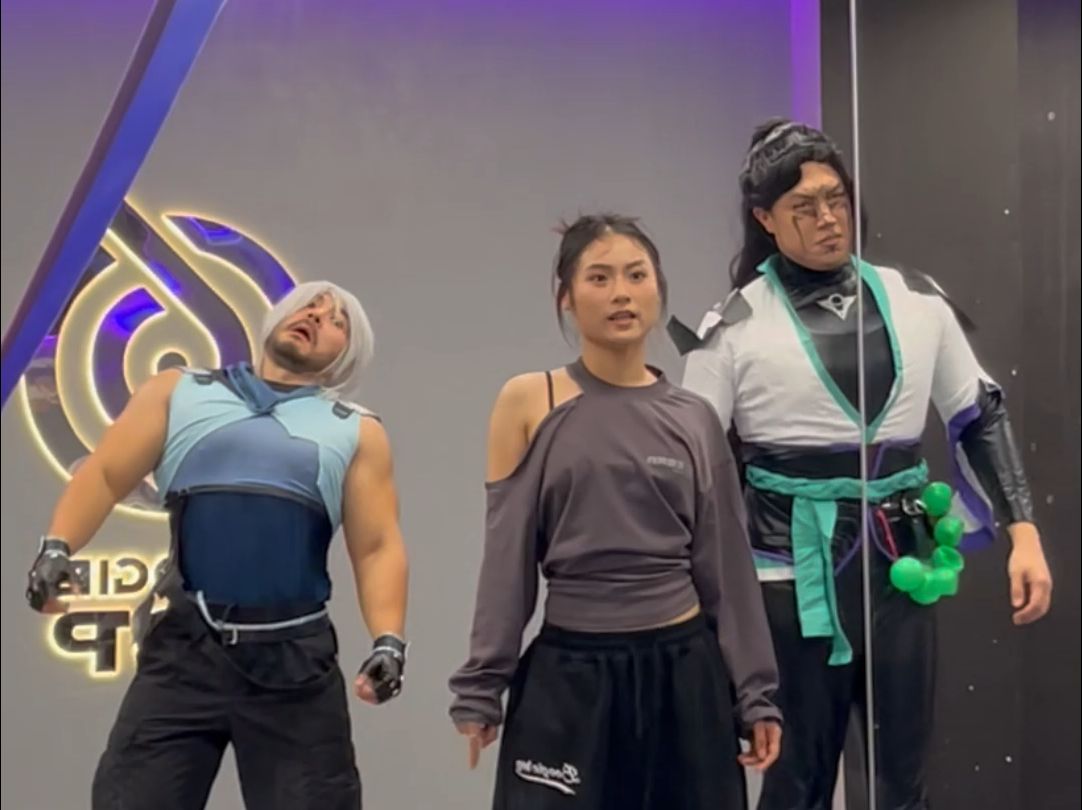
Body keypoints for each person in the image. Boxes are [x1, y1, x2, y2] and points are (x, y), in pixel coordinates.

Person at [672, 119, 1054, 810]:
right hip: (789, 577)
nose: (828, 218)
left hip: (900, 568)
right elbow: (690, 469)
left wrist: (1023, 534)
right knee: (797, 781)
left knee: (902, 780)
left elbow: (979, 414)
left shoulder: (917, 301)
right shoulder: (732, 327)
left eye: (836, 199)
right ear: (764, 218)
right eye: (804, 206)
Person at [25, 281, 410, 810]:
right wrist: (56, 547)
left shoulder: (356, 431)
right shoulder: (178, 391)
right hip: (183, 654)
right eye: (309, 305)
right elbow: (106, 474)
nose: (316, 316)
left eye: (336, 320)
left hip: (294, 666)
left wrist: (389, 642)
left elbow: (377, 546)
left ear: (347, 354)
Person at [448, 214, 782, 809]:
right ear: (566, 298)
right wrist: (482, 686)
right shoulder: (528, 401)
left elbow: (726, 568)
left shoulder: (693, 418)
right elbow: (506, 558)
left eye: (636, 275)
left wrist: (756, 695)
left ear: (658, 288)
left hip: (684, 676)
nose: (621, 293)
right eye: (599, 278)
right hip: (569, 676)